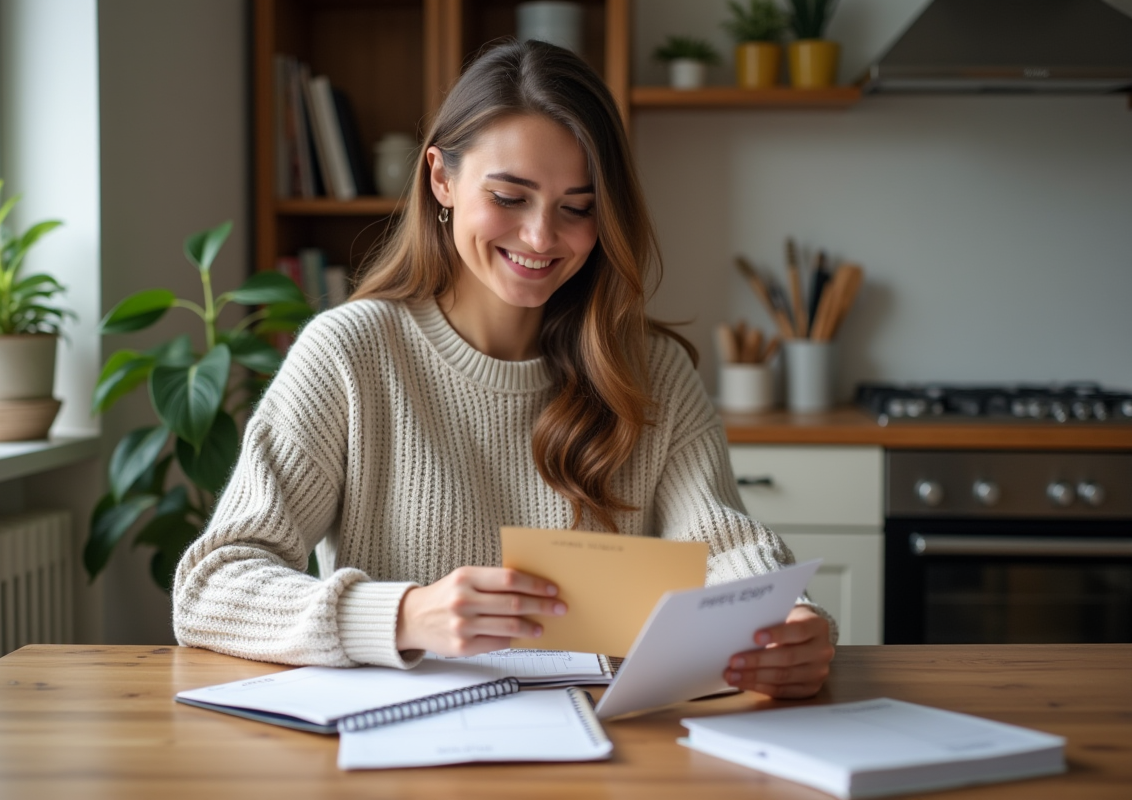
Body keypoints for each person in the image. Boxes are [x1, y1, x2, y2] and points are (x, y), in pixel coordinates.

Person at [173, 40, 835, 699]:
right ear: (441, 179)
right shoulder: (349, 354)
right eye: (510, 197)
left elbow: (726, 551)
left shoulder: (650, 370)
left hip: (609, 738)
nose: (541, 237)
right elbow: (211, 587)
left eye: (578, 208)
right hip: (401, 739)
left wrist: (787, 621)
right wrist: (404, 616)